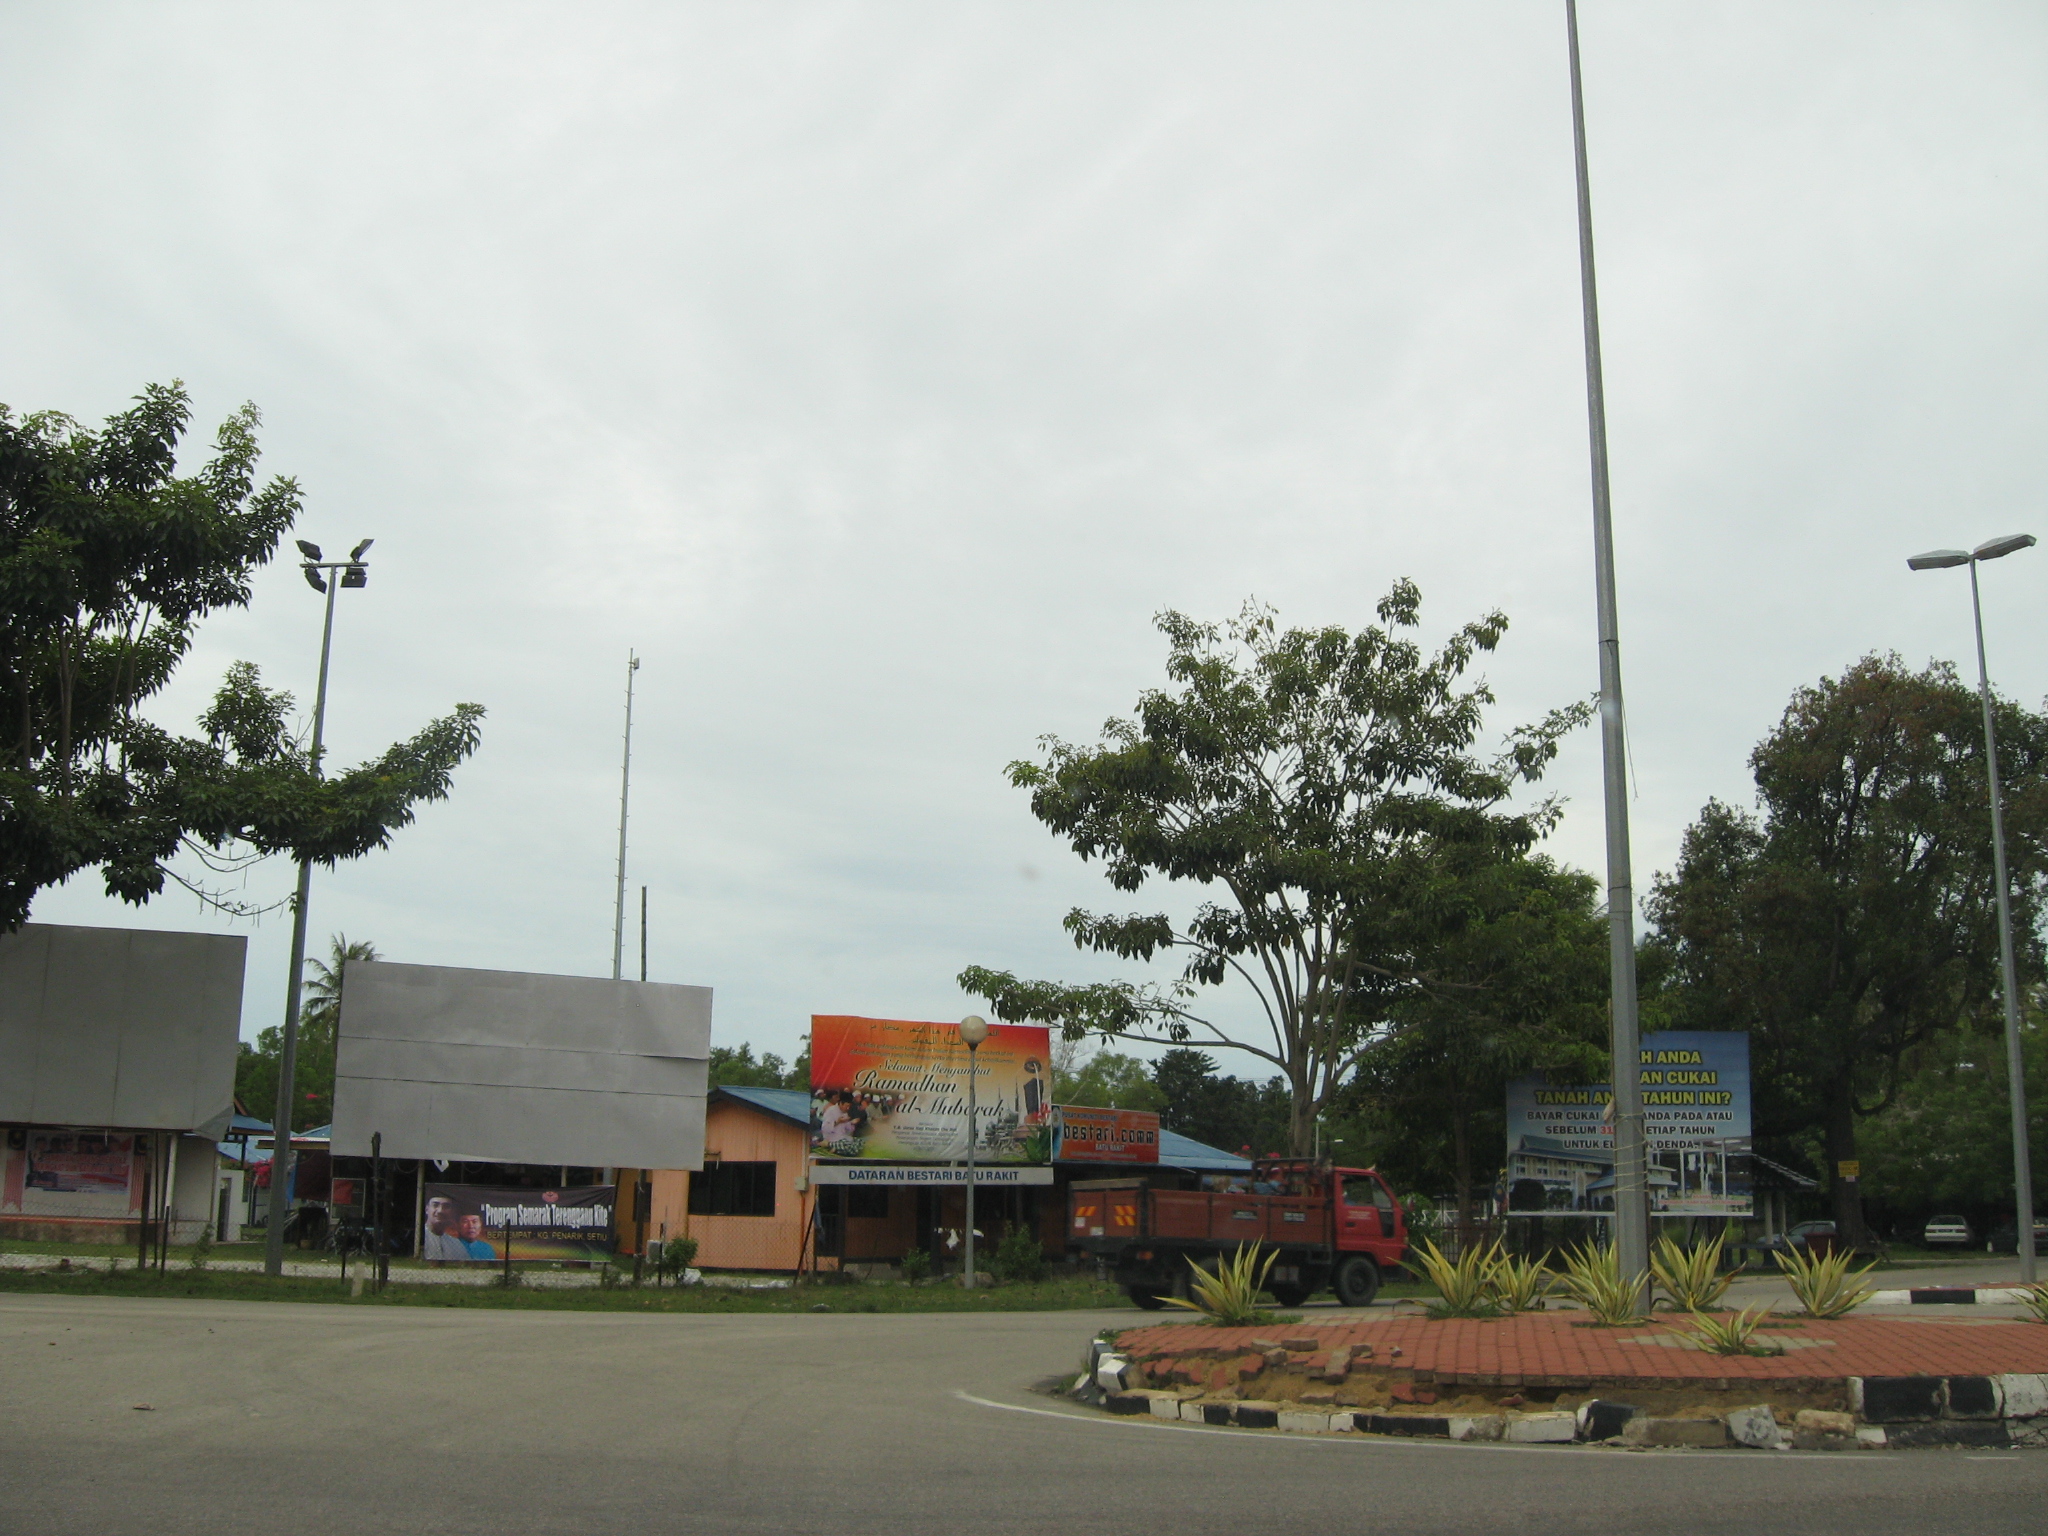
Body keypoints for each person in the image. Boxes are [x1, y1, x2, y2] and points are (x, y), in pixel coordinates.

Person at [420, 1195, 470, 1262]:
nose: (440, 1211)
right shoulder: (419, 1237)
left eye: (446, 1206)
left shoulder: (456, 1244)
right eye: (435, 1205)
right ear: (427, 1209)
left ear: (452, 1212)